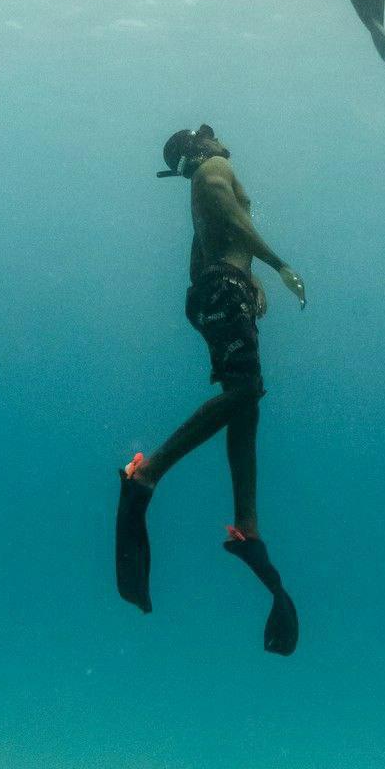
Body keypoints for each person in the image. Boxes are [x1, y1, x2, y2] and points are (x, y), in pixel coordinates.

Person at [115, 124, 306, 655]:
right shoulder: (213, 170)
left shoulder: (197, 179)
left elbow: (202, 255)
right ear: (201, 147)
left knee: (246, 407)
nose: (223, 143)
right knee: (245, 395)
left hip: (218, 291)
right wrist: (277, 265)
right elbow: (228, 213)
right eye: (213, 138)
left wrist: (242, 281)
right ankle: (146, 473)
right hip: (224, 291)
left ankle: (247, 523)